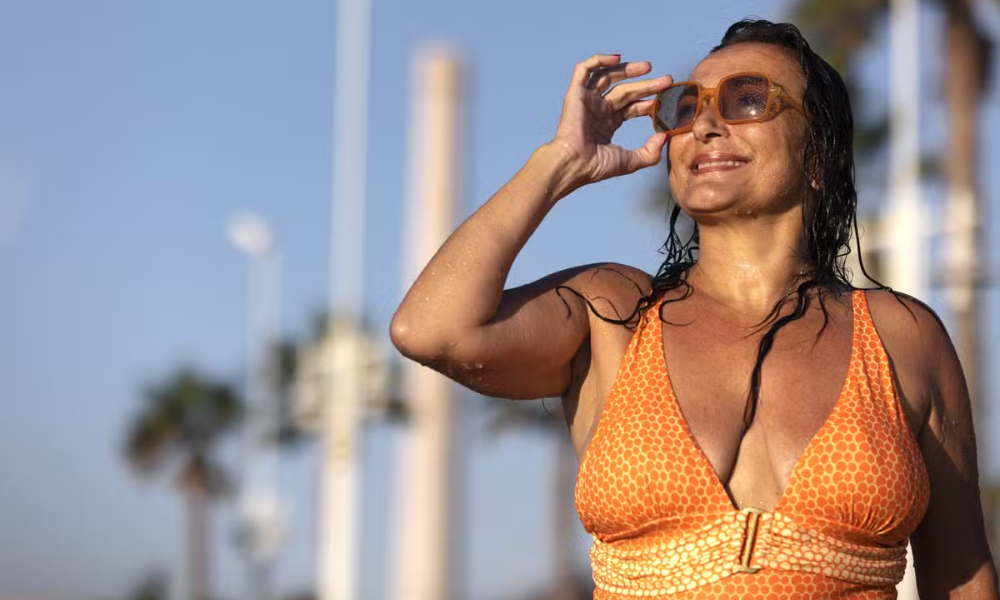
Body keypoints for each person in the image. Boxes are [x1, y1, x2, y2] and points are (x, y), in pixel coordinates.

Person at [390, 19, 998, 599]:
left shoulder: (899, 336)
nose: (704, 124)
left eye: (747, 100)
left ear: (821, 155)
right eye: (686, 107)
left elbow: (963, 577)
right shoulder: (615, 314)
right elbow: (430, 330)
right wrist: (558, 163)